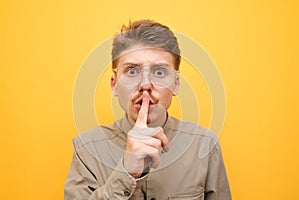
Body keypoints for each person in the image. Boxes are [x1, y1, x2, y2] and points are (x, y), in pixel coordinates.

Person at [65, 19, 231, 200]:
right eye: (132, 71)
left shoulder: (205, 146)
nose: (145, 85)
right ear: (114, 85)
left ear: (175, 84)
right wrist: (126, 173)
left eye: (159, 72)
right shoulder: (87, 149)